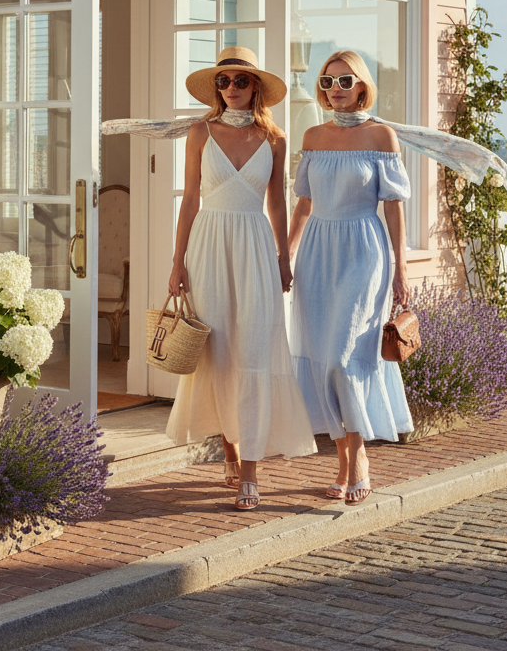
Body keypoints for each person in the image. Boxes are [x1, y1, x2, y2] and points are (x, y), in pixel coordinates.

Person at [166, 46, 316, 510]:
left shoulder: (274, 138)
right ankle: (231, 454)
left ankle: (250, 471)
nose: (231, 88)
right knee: (219, 350)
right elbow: (190, 199)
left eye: (241, 81)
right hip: (208, 245)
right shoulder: (198, 132)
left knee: (253, 350)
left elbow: (277, 204)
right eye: (224, 81)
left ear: (256, 89)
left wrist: (284, 257)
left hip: (255, 247)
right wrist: (177, 262)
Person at [287, 50, 414, 505]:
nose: (335, 89)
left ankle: (359, 458)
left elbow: (395, 207)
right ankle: (341, 460)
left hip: (365, 250)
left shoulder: (382, 136)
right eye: (328, 81)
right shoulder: (313, 135)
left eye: (345, 81)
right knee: (322, 361)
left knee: (345, 358)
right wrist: (287, 252)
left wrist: (401, 267)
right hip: (318, 253)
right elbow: (303, 202)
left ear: (362, 85)